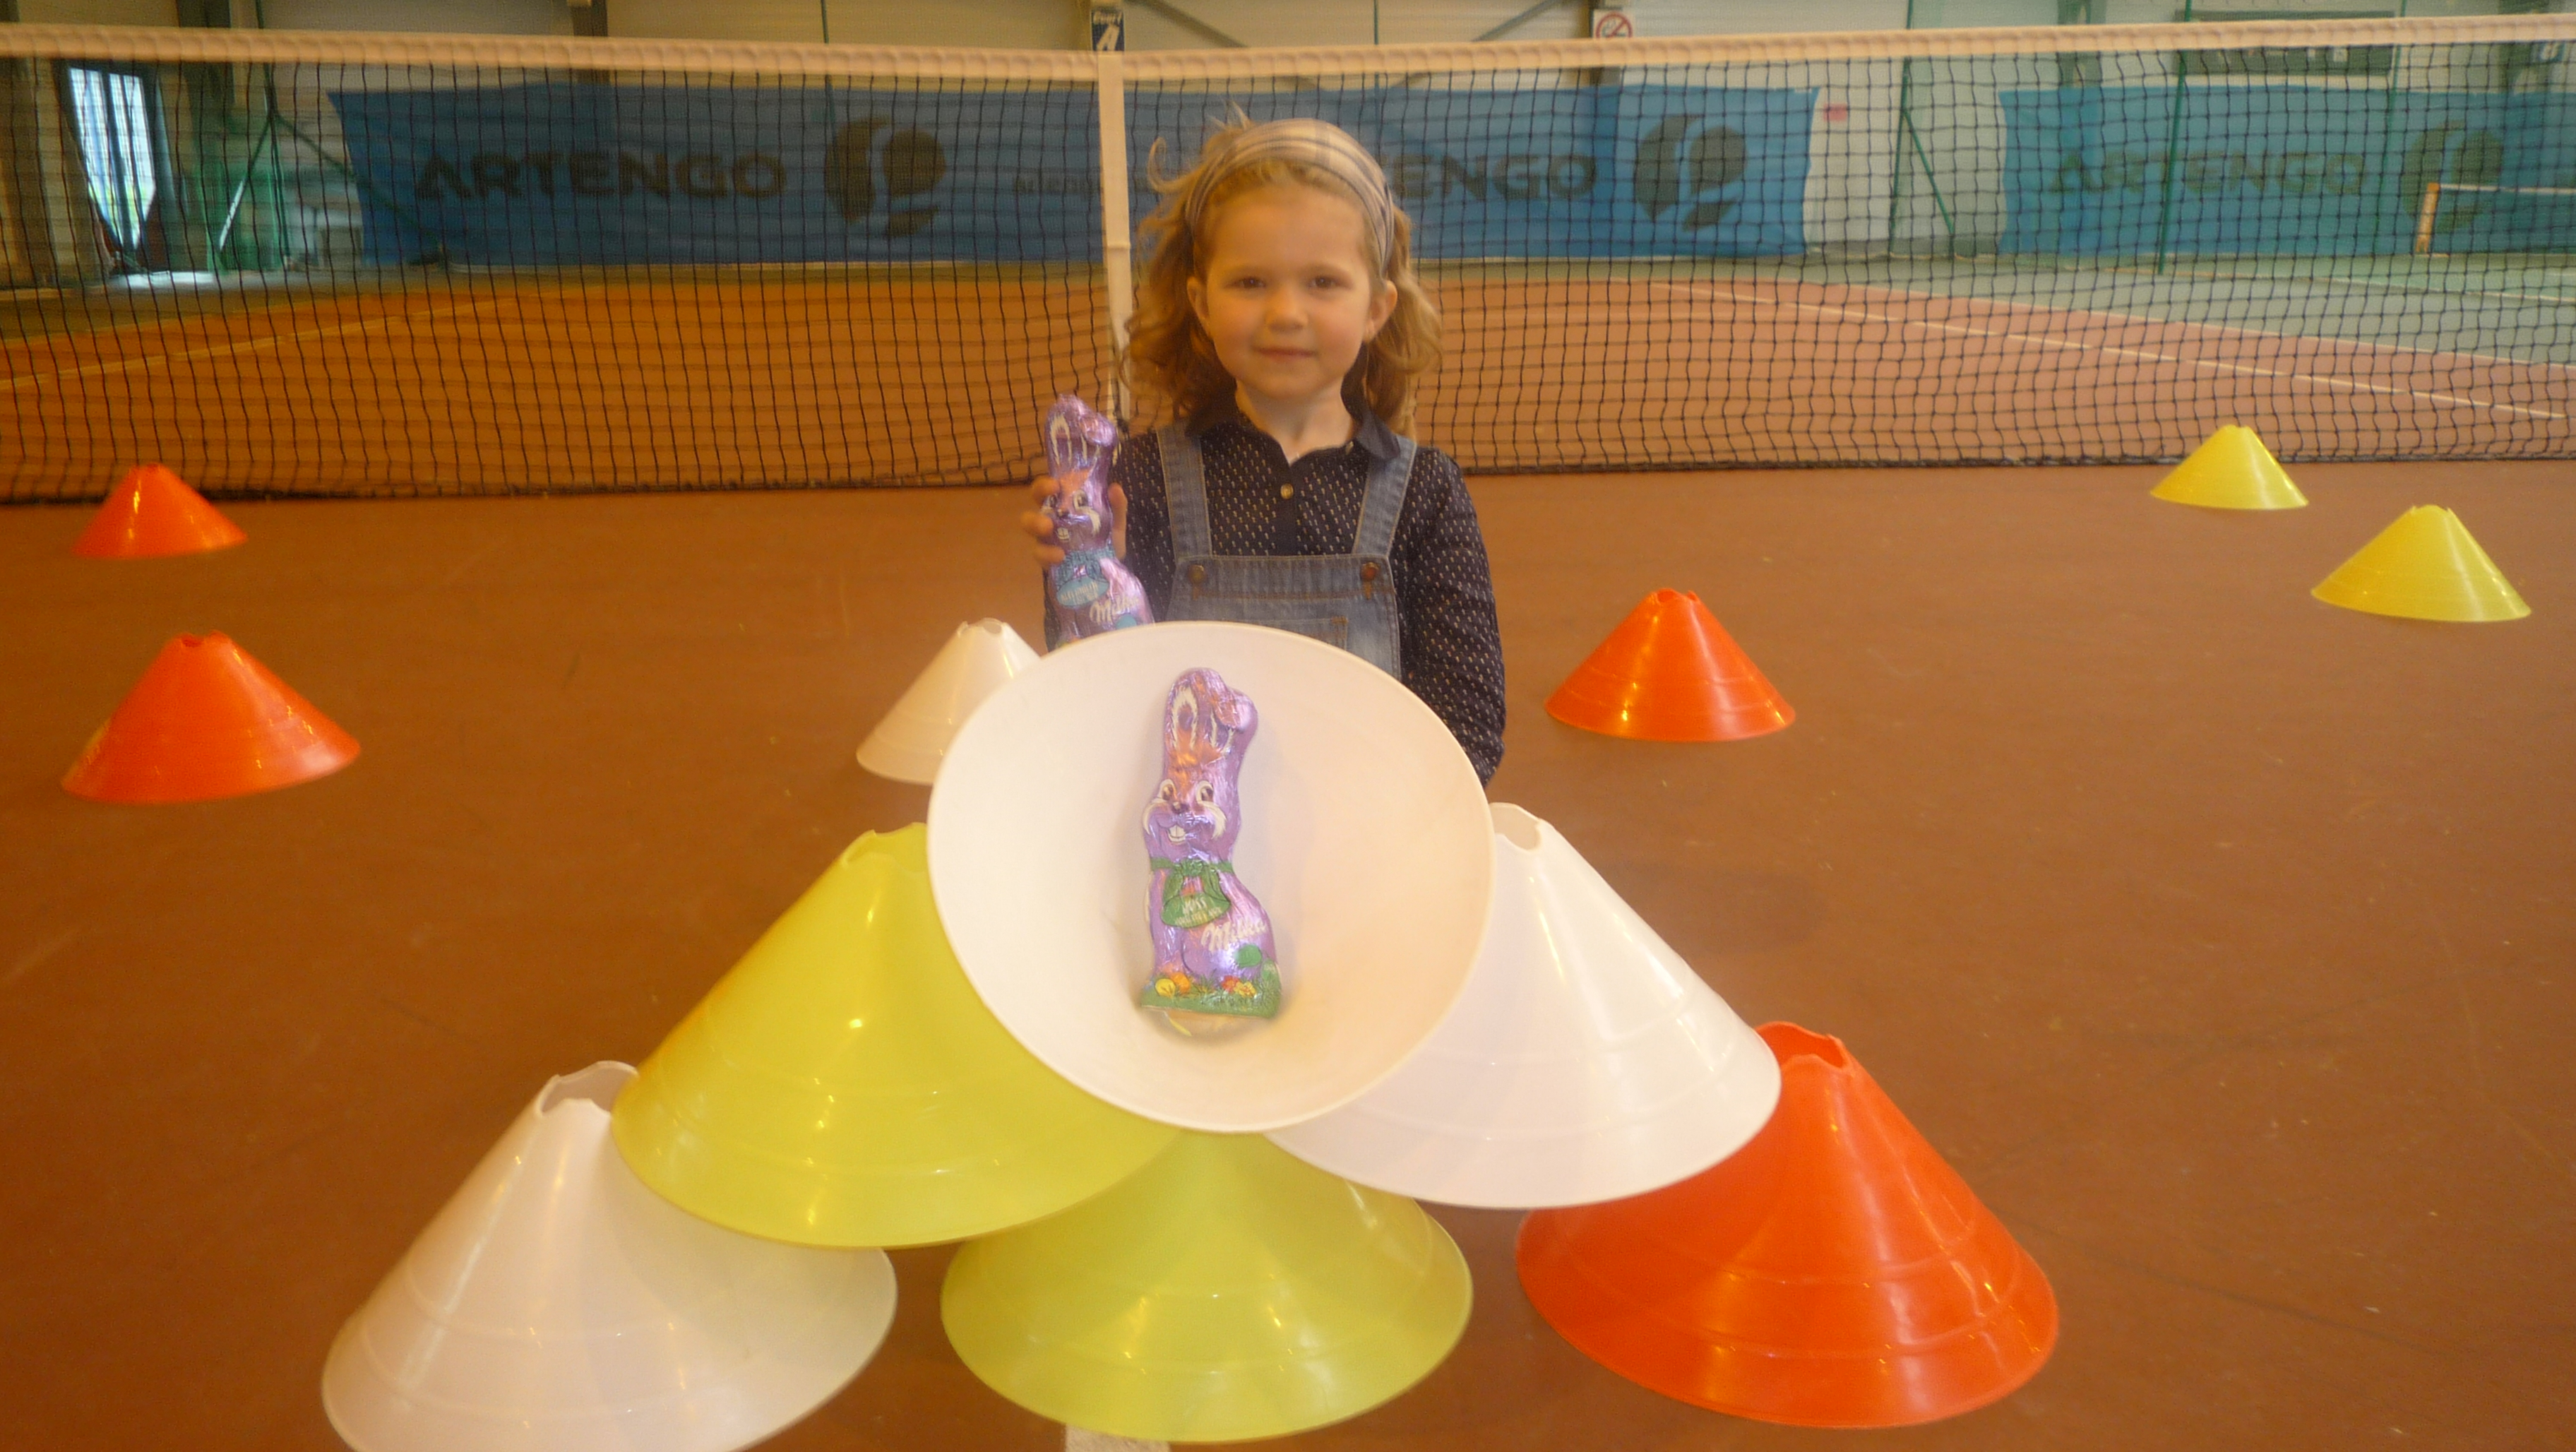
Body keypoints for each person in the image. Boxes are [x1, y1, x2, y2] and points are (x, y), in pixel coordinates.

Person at [1020, 116, 1505, 785]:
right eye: (1250, 282)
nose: (1285, 313)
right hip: (1187, 833)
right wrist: (1087, 577)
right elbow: (1096, 686)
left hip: (1371, 821)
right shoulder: (1144, 478)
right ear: (1201, 302)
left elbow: (1468, 721)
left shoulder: (1426, 493)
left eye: (1323, 282)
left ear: (1376, 307)